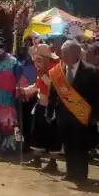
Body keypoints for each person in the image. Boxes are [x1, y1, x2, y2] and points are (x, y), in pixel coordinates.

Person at [47, 39, 99, 184]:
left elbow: (96, 96)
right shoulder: (58, 71)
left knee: (81, 145)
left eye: (66, 53)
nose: (63, 56)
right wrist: (49, 111)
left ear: (77, 54)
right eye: (63, 53)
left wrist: (95, 116)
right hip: (63, 115)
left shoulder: (91, 71)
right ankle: (71, 172)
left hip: (82, 115)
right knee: (68, 144)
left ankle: (81, 174)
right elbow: (53, 93)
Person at [17, 43, 62, 172]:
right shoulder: (40, 69)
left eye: (39, 59)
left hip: (52, 106)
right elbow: (37, 86)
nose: (36, 61)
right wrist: (24, 91)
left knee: (53, 134)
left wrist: (42, 74)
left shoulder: (56, 68)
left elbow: (54, 86)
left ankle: (53, 162)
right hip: (40, 104)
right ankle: (37, 159)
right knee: (36, 132)